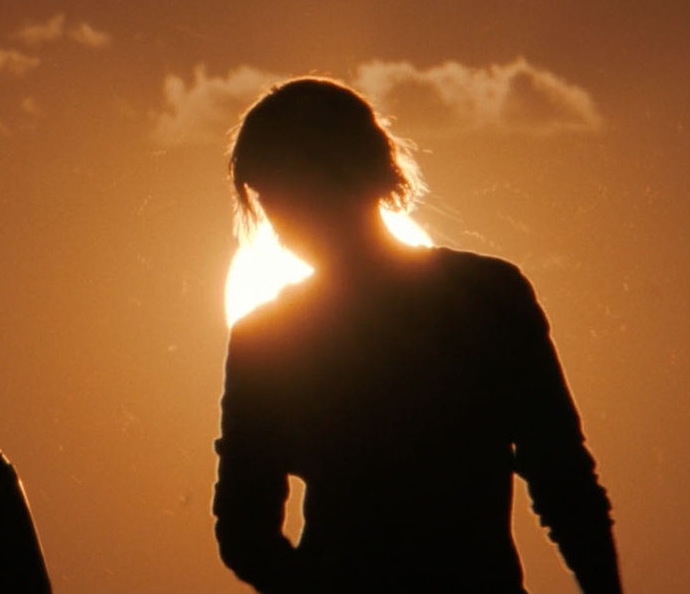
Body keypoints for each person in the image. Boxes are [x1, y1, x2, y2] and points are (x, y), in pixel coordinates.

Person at [213, 77, 621, 594]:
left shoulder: (268, 338)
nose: (281, 215)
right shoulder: (486, 295)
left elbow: (244, 530)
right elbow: (564, 480)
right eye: (270, 195)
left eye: (282, 190)